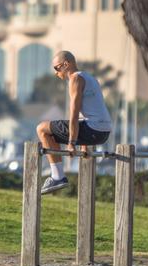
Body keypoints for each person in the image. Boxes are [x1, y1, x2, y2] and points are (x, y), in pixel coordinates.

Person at [36, 51, 112, 194]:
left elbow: (74, 114)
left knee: (41, 129)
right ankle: (57, 175)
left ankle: (57, 177)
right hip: (103, 133)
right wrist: (85, 145)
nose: (56, 73)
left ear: (66, 64)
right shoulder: (90, 78)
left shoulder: (75, 79)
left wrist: (71, 142)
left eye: (56, 68)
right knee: (51, 133)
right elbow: (90, 112)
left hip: (92, 130)